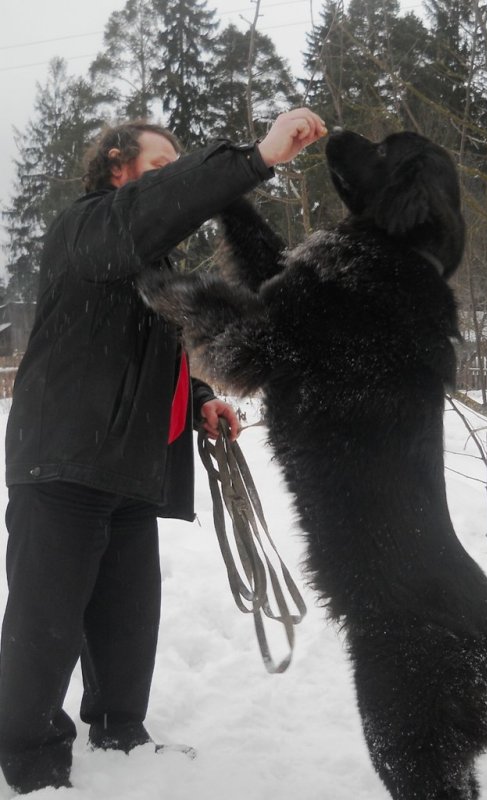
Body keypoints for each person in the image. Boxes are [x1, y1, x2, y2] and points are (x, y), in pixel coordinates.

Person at [0, 108, 327, 794]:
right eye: (160, 169)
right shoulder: (87, 228)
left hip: (124, 467)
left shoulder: (147, 262)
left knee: (127, 615)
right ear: (118, 171)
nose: (172, 181)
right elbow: (144, 217)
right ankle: (27, 760)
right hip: (61, 462)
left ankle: (121, 734)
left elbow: (150, 360)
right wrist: (254, 159)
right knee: (46, 621)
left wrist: (201, 399)